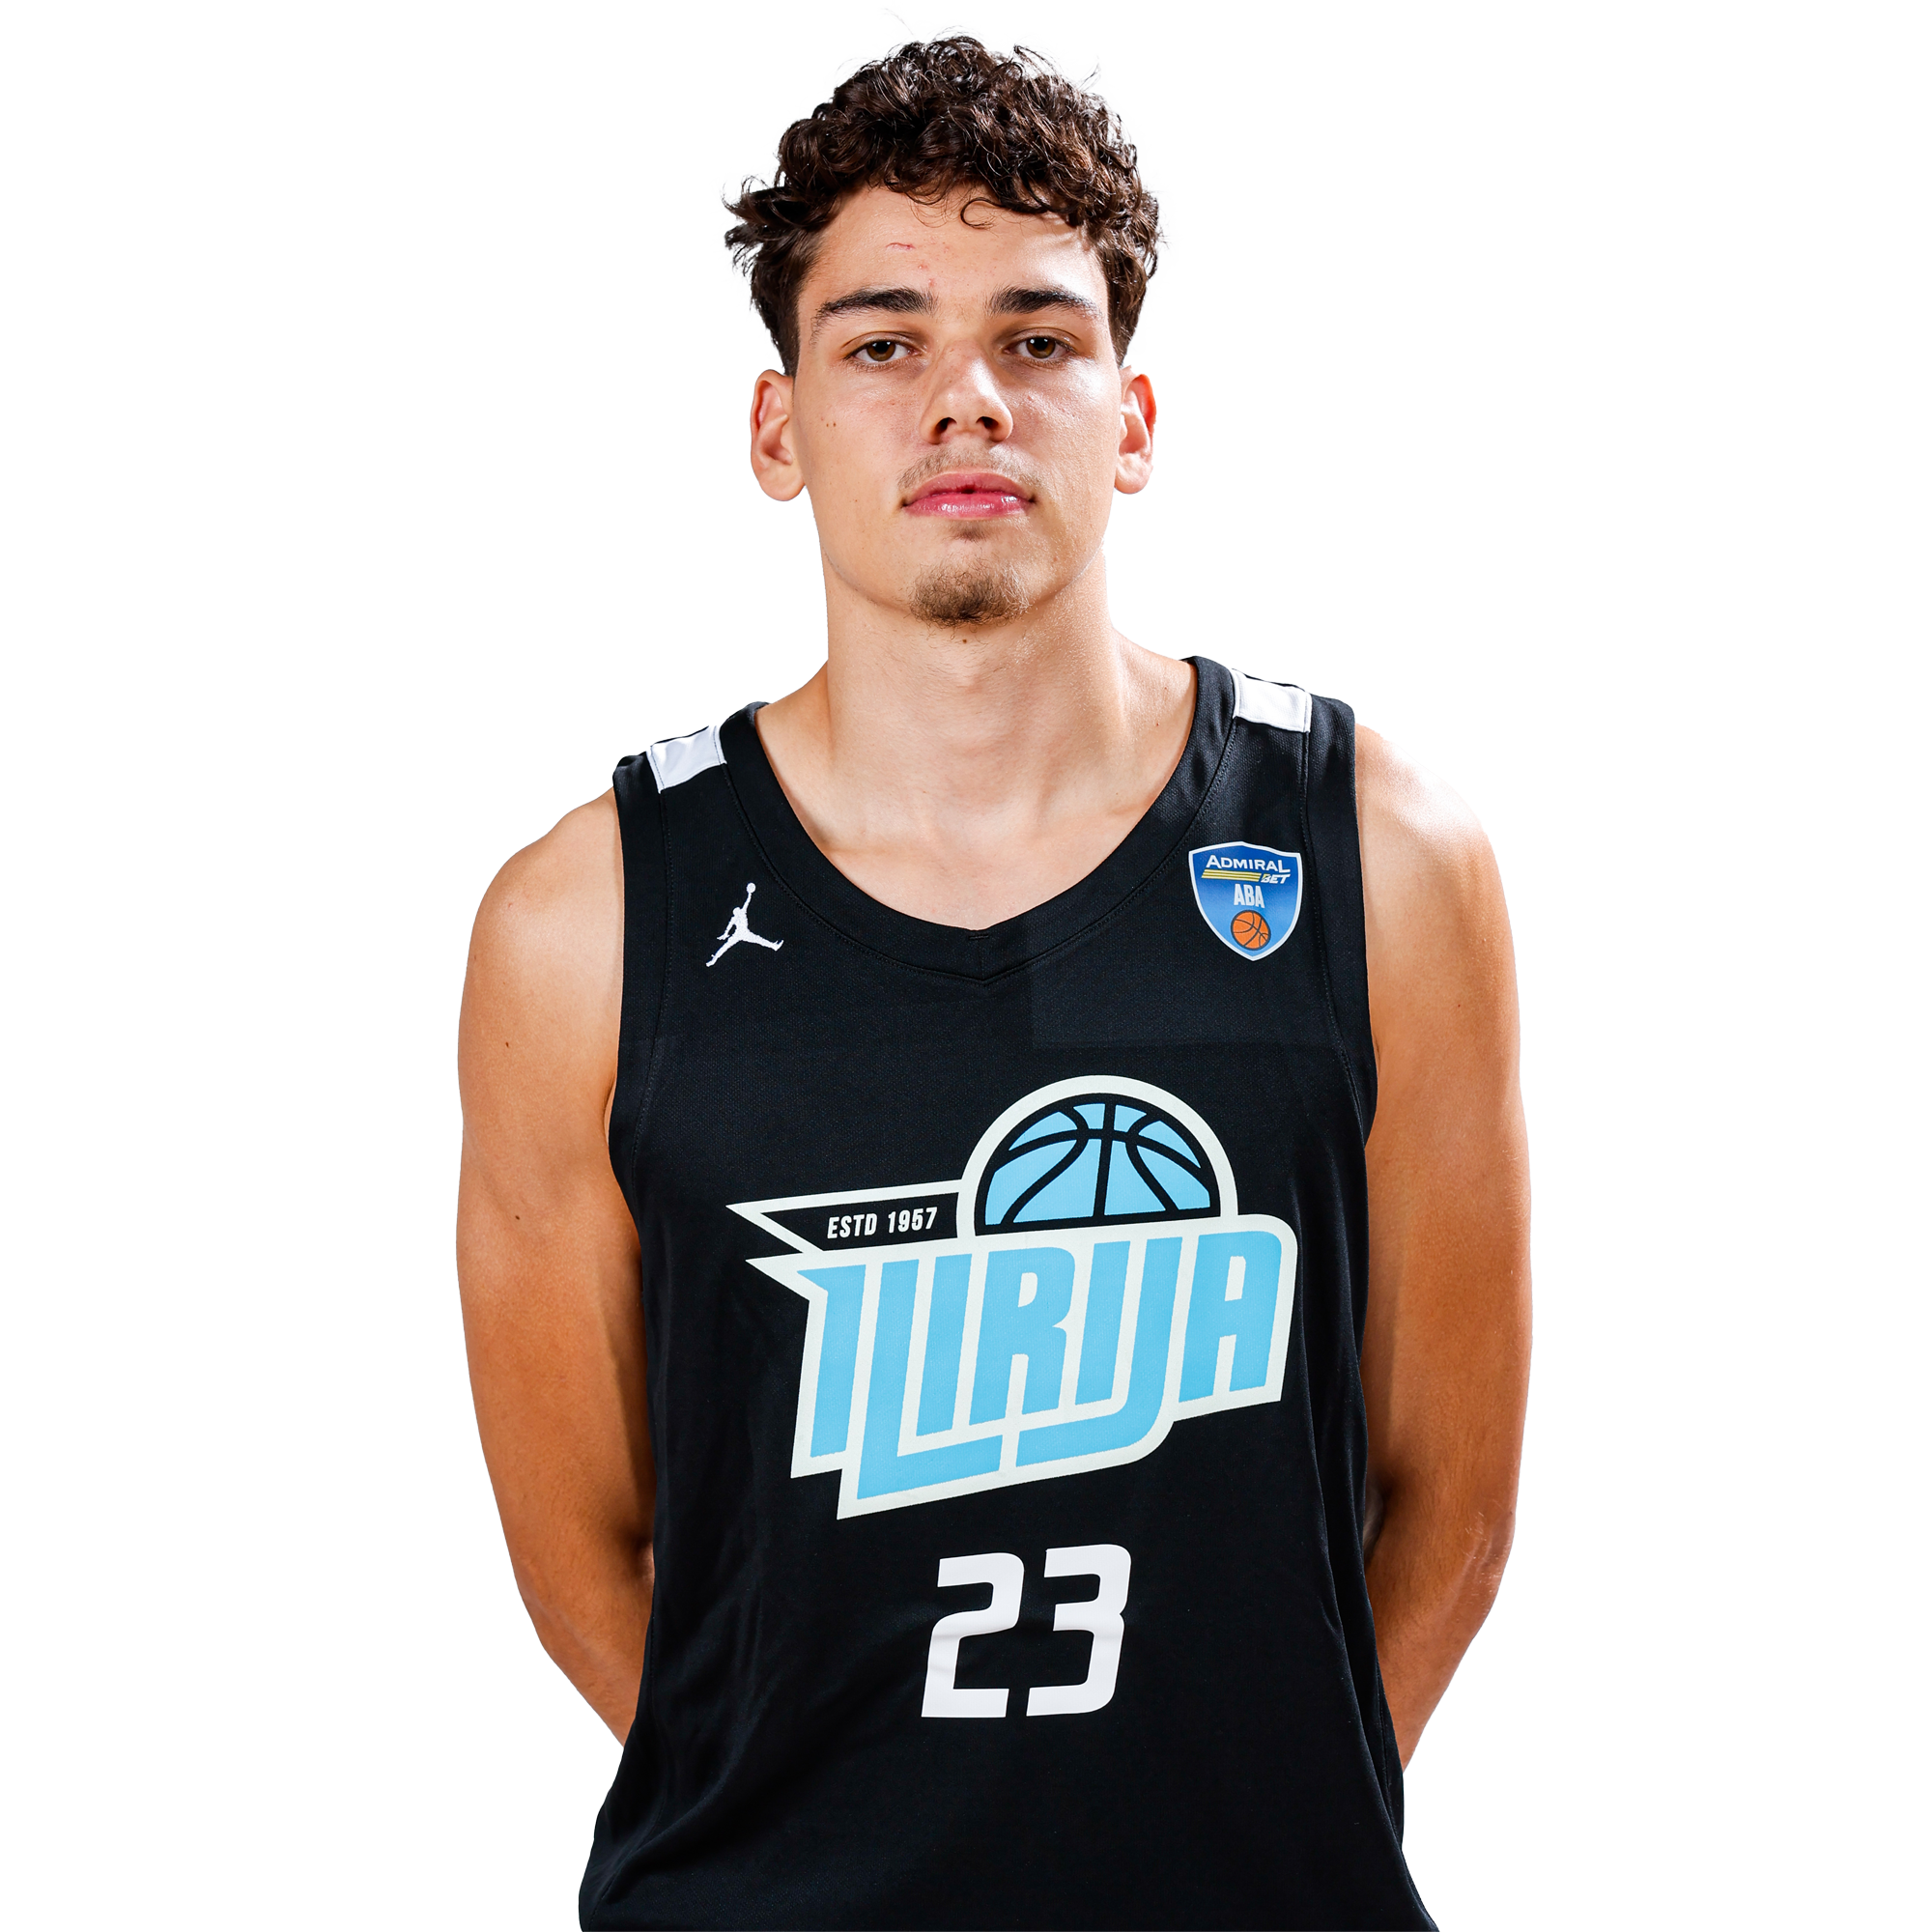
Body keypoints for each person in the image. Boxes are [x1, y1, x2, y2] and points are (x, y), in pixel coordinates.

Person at [458, 32, 1529, 1931]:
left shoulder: (1383, 858)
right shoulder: (583, 924)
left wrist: (1248, 1826)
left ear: (1130, 416)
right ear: (778, 427)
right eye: (883, 343)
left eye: (1037, 338)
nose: (967, 397)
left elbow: (1449, 1497)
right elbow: (587, 1554)